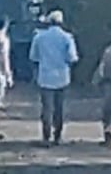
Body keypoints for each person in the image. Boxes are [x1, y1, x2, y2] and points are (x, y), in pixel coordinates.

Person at [29, 9, 79, 146]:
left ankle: (46, 137)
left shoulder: (39, 37)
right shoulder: (67, 37)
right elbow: (72, 58)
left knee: (46, 108)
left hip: (45, 76)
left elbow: (34, 57)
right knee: (60, 108)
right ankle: (57, 137)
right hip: (62, 77)